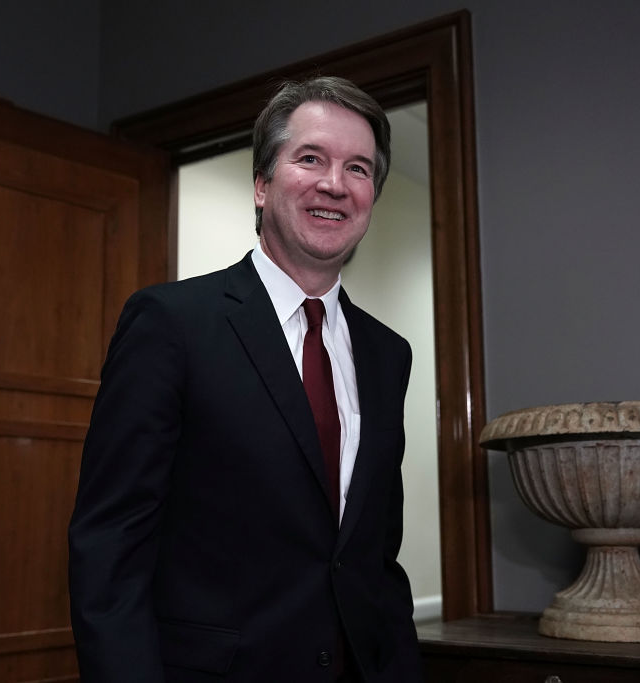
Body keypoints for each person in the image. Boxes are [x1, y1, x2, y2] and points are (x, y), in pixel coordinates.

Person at [68, 76, 424, 683]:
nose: (335, 184)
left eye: (358, 169)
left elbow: (372, 557)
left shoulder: (388, 354)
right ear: (261, 185)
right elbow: (110, 549)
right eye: (310, 158)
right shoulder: (170, 325)